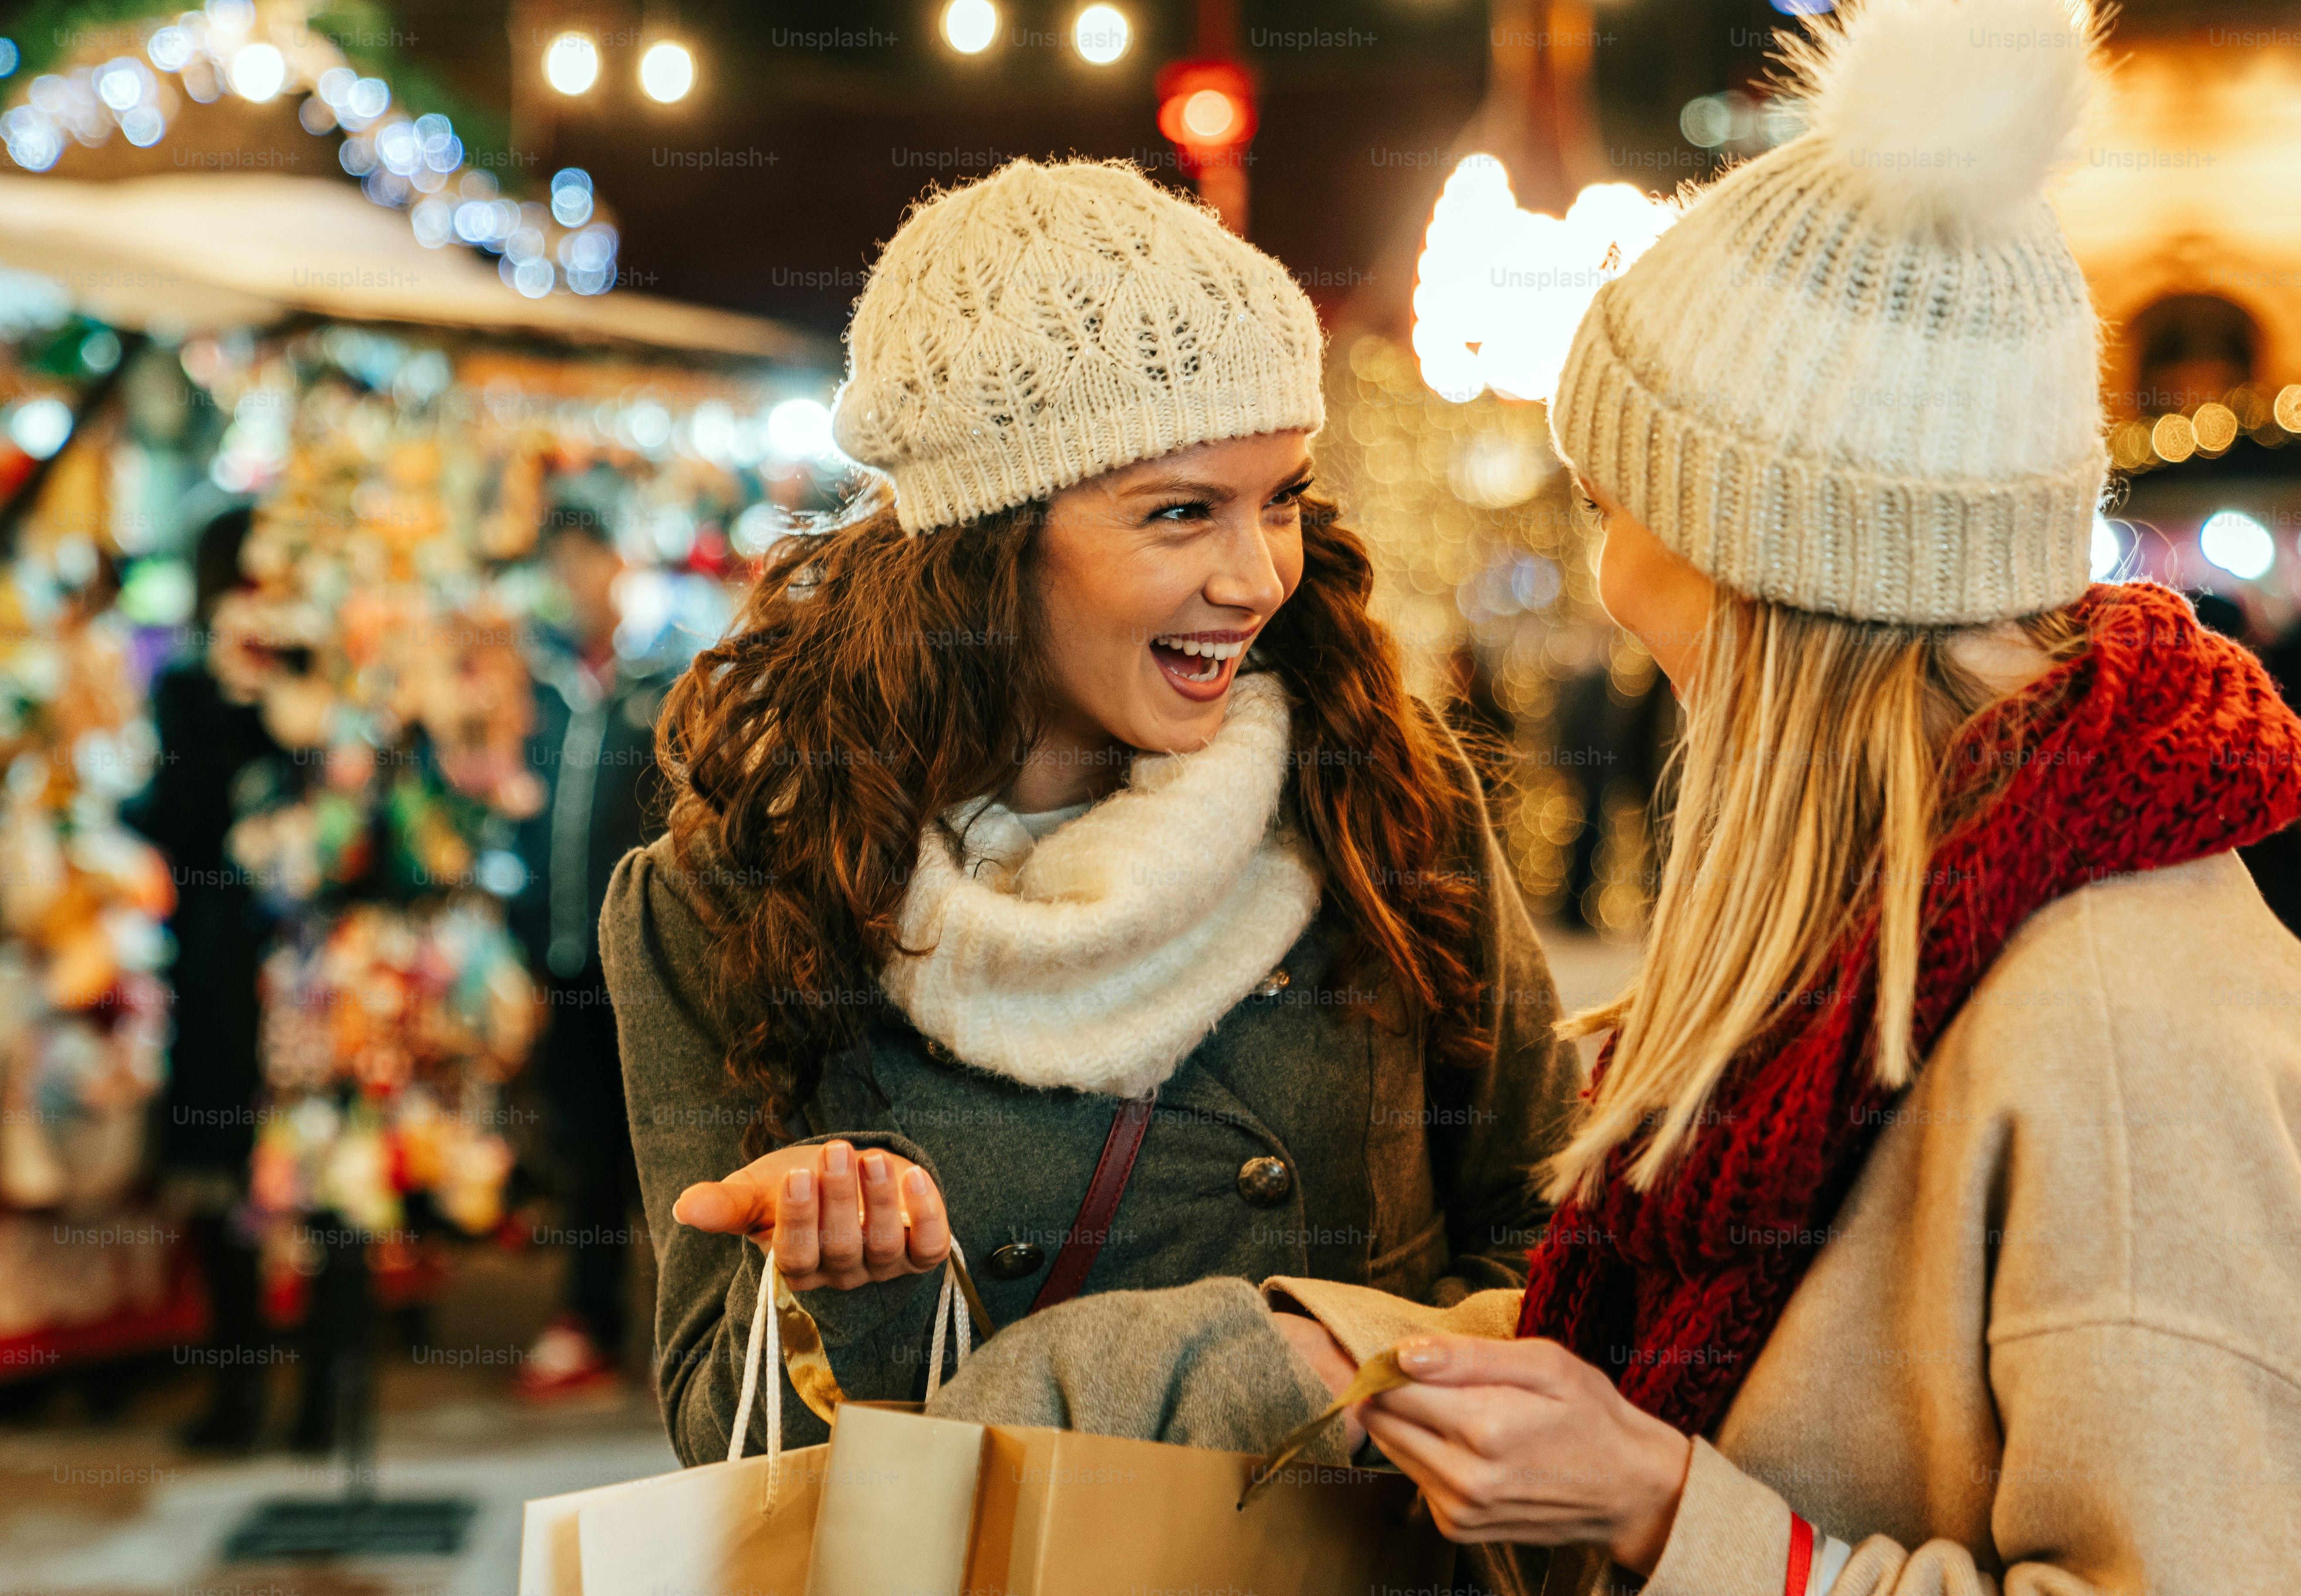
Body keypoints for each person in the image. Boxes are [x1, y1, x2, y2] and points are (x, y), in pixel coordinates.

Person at [1264, 3, 2301, 1590]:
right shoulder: (1910, 912)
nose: (1601, 563)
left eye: (1610, 494)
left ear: (1763, 568)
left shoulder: (2120, 1017)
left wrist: (1662, 1508)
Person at [601, 158, 1581, 1460]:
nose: (1257, 576)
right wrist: (843, 1293)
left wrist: (1320, 1377)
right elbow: (724, 1443)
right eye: (1181, 513)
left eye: (1280, 498)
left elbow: (1556, 1233)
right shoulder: (730, 891)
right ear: (985, 545)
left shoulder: (1379, 799)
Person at [507, 506, 677, 1398]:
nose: (571, 581)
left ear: (618, 563)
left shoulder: (666, 681)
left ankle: (676, 1331)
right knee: (580, 1151)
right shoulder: (538, 689)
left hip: (647, 970)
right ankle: (586, 1318)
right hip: (561, 965)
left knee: (663, 1148)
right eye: (556, 565)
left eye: (584, 560)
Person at [127, 505, 283, 1450]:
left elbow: (175, 814)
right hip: (298, 957)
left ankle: (238, 1391)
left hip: (224, 959)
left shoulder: (188, 686)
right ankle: (310, 1402)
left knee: (225, 1179)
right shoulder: (310, 682)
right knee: (300, 1166)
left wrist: (119, 810)